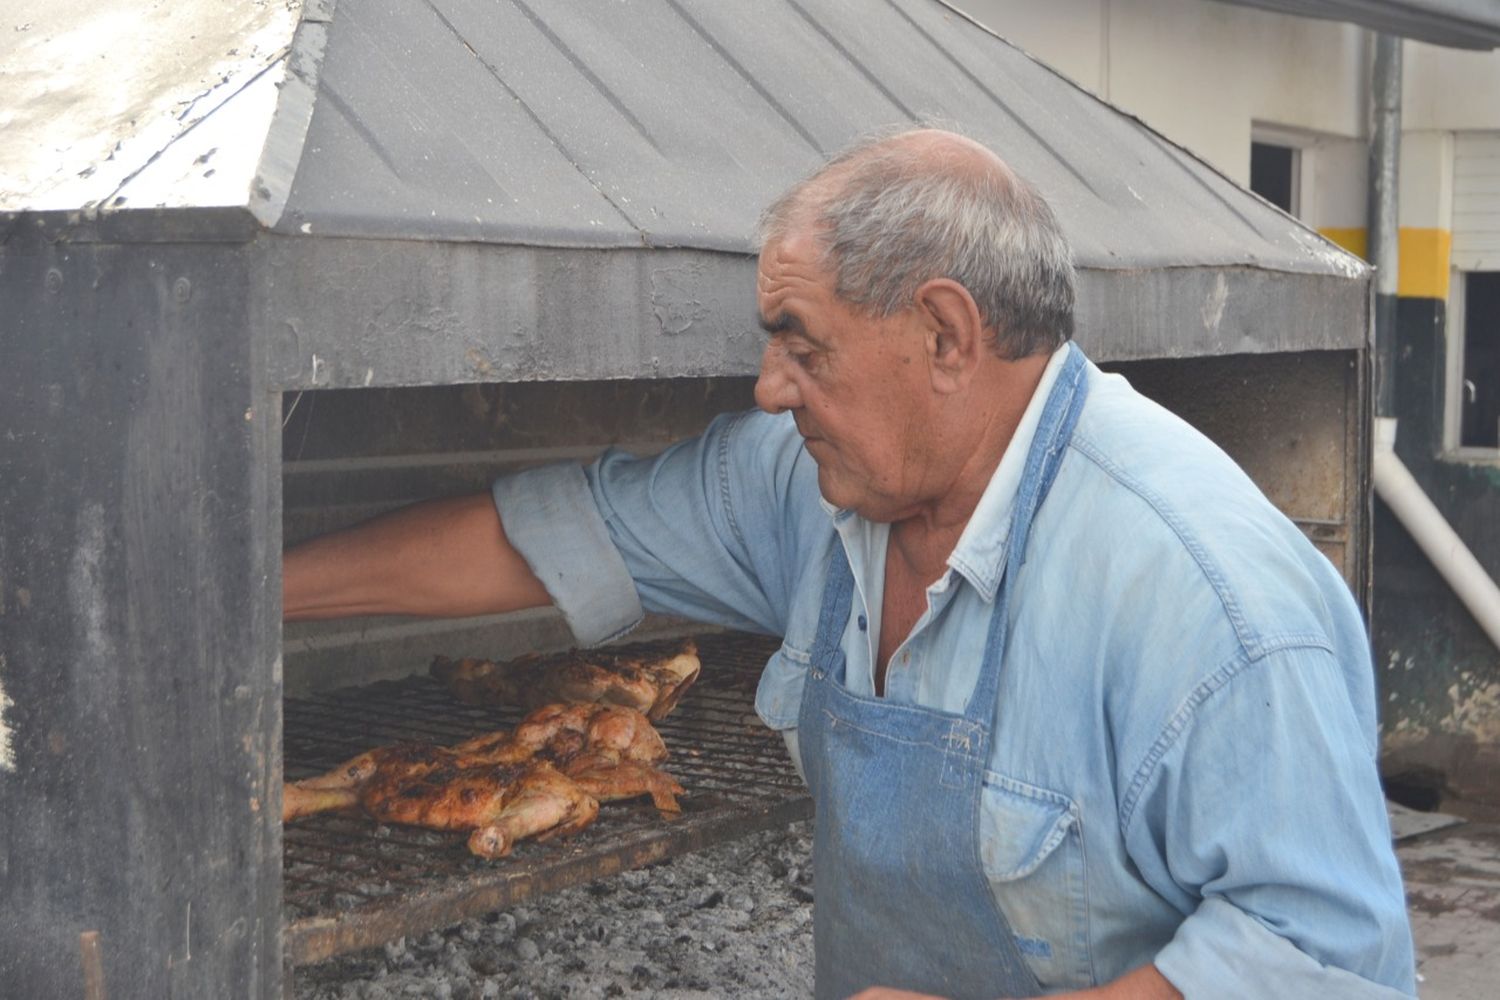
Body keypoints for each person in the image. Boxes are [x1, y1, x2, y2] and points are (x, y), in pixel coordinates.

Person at [284, 129, 1416, 1000]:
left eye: (800, 342)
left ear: (944, 334)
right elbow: (553, 534)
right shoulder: (812, 483)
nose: (771, 387)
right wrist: (236, 595)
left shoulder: (1204, 592)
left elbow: (1321, 957)